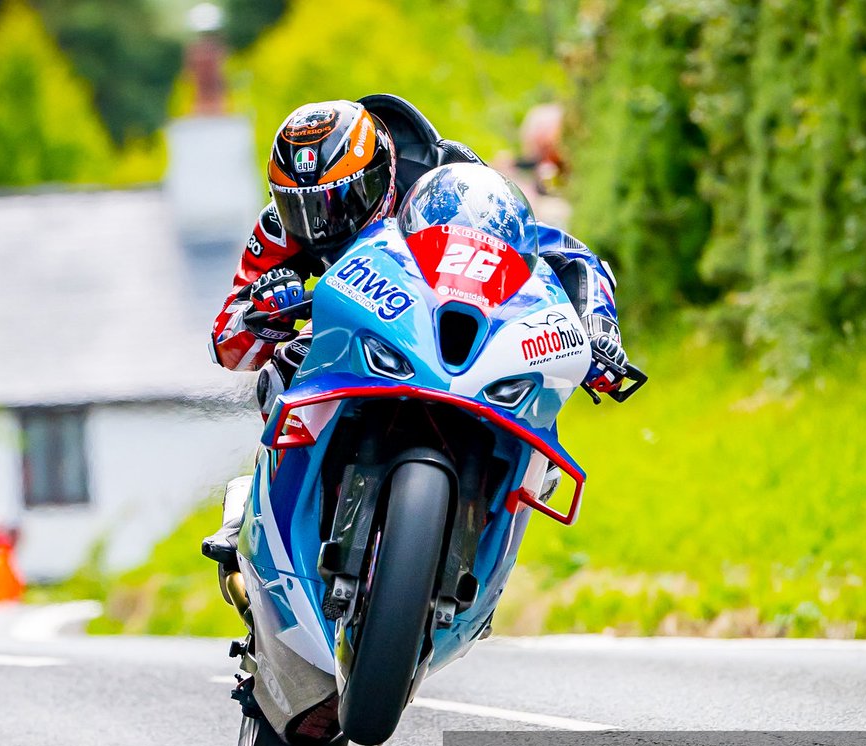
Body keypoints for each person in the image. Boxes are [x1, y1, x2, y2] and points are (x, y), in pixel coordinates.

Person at [203, 95, 627, 563]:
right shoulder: (280, 229)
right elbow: (227, 342)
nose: (321, 224)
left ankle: (505, 491)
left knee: (533, 382)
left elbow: (565, 253)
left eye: (340, 201)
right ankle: (256, 511)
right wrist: (266, 308)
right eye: (299, 208)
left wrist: (597, 325)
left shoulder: (449, 186)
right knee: (283, 364)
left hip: (446, 328)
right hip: (353, 340)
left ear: (379, 173)